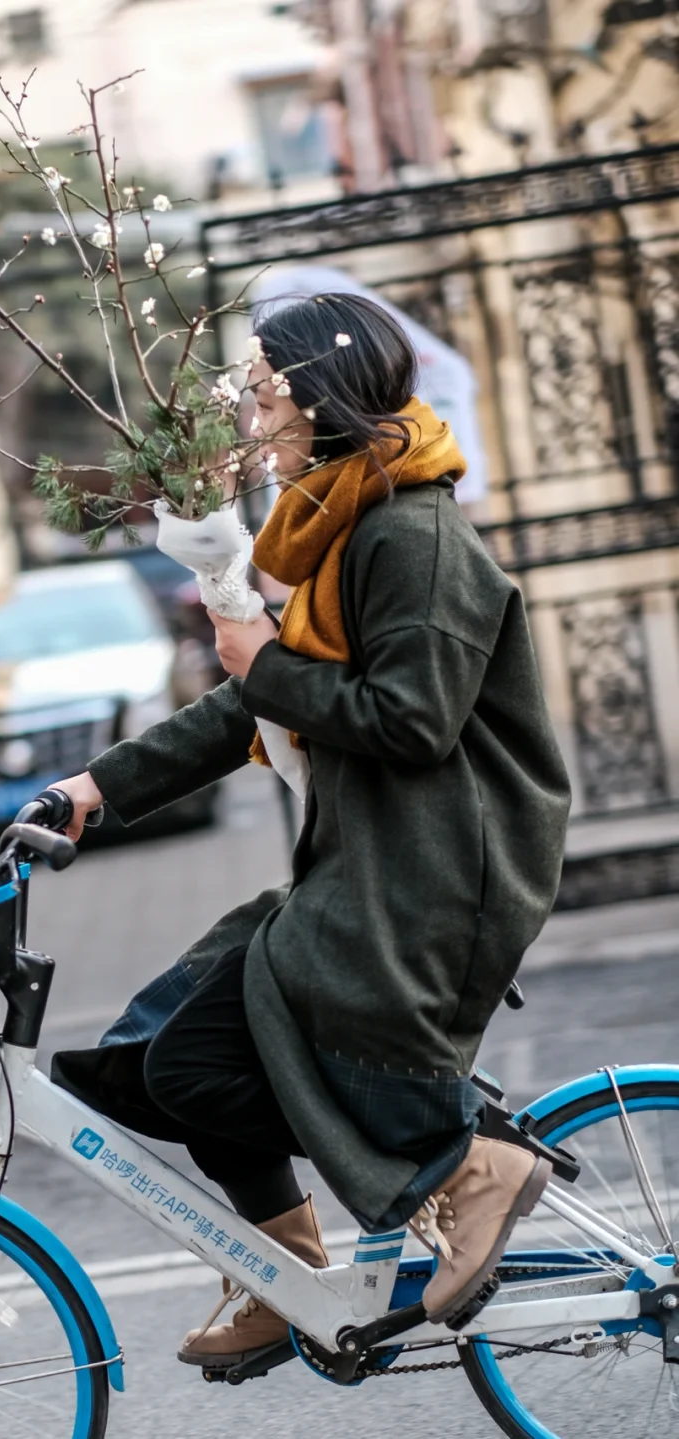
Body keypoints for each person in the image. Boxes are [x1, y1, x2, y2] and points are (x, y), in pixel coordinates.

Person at [50, 293, 571, 1369]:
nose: (247, 405)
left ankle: (471, 1163)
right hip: (376, 855)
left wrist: (265, 662)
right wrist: (97, 787)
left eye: (262, 386)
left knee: (225, 1031)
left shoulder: (410, 532)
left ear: (317, 397)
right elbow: (264, 700)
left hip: (443, 862)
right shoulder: (334, 527)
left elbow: (414, 719)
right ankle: (286, 1278)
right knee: (168, 1052)